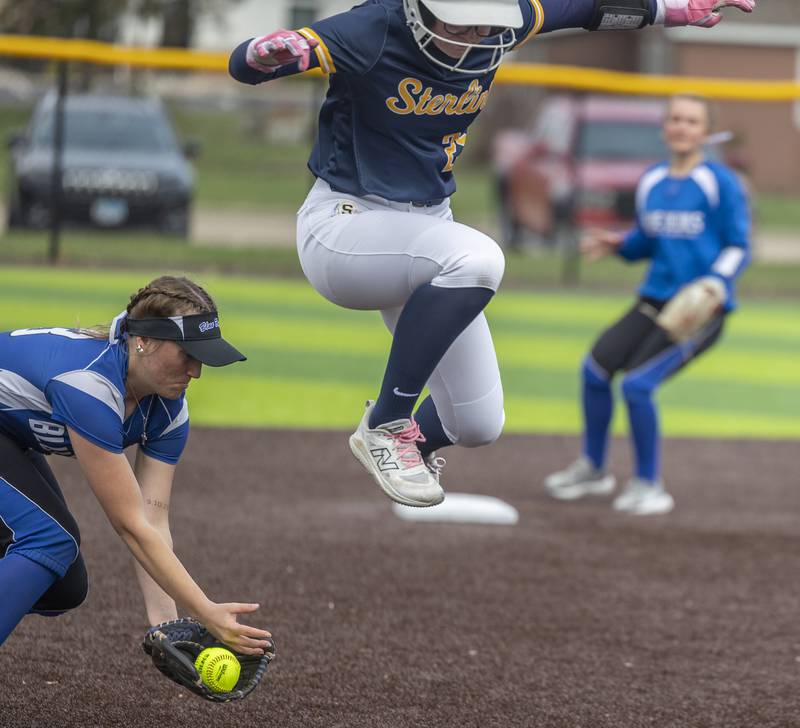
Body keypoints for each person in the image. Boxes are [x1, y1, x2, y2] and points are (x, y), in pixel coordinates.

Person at [228, 0, 754, 508]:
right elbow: (246, 65)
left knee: (477, 423)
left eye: (487, 21)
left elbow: (591, 8)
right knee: (479, 258)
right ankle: (386, 423)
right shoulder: (375, 25)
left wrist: (673, 8)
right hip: (345, 229)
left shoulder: (506, 19)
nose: (479, 32)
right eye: (463, 21)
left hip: (424, 234)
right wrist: (265, 52)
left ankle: (409, 440)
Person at [0, 276, 271, 653]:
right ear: (143, 341)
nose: (196, 371)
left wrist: (168, 629)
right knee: (48, 542)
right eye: (187, 355)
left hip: (7, 438)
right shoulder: (88, 386)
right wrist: (205, 611)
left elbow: (152, 520)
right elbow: (130, 525)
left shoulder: (168, 411)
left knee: (65, 586)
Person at [544, 94, 751, 515]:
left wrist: (715, 284)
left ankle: (648, 485)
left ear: (706, 132)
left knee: (638, 385)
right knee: (596, 370)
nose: (681, 126)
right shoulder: (653, 180)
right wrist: (619, 244)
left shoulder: (719, 182)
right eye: (674, 119)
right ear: (664, 127)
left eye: (692, 121)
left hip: (699, 311)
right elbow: (646, 241)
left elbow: (739, 245)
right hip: (654, 300)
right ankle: (595, 469)